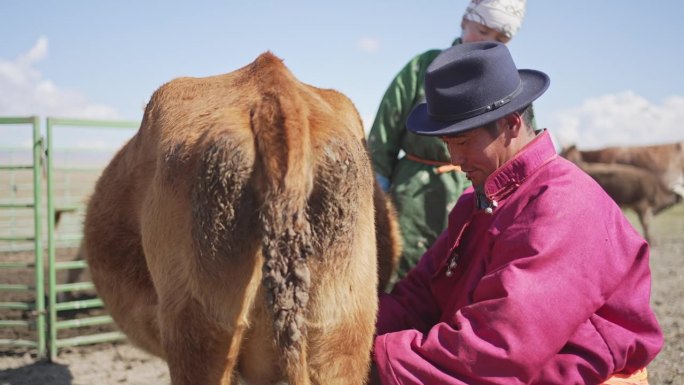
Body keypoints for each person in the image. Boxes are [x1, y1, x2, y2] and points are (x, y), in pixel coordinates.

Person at [371, 41, 663, 384]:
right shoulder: (474, 203)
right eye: (447, 143)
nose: (454, 159)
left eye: (462, 141)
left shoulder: (563, 206)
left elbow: (495, 349)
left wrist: (369, 360)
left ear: (511, 124)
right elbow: (420, 295)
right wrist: (344, 333)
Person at [368, 0, 531, 288]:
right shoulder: (423, 68)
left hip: (477, 196)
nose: (488, 42)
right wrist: (375, 199)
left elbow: (520, 146)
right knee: (402, 276)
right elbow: (384, 135)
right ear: (464, 21)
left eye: (500, 39)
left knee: (461, 277)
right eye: (482, 30)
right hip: (414, 198)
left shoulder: (504, 80)